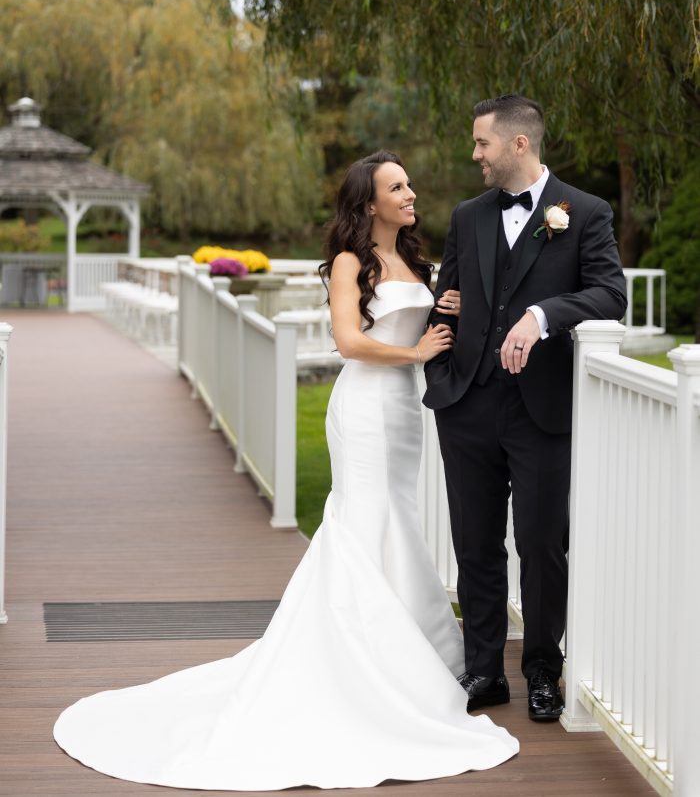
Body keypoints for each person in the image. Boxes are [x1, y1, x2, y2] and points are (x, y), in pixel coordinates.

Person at [54, 150, 518, 790]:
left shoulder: (416, 260)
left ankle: (412, 657)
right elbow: (350, 342)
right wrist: (415, 349)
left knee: (397, 520)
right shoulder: (351, 263)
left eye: (410, 183)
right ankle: (357, 662)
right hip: (362, 406)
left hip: (406, 412)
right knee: (363, 523)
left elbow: (426, 319)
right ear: (368, 202)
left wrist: (449, 313)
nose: (412, 193)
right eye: (397, 187)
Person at [423, 95, 627, 722]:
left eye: (482, 143)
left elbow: (610, 293)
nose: (474, 154)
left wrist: (542, 316)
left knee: (542, 544)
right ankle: (484, 669)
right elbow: (447, 300)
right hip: (470, 404)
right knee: (475, 542)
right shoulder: (467, 216)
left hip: (542, 409)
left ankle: (543, 669)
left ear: (519, 144)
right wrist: (442, 376)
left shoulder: (585, 212)